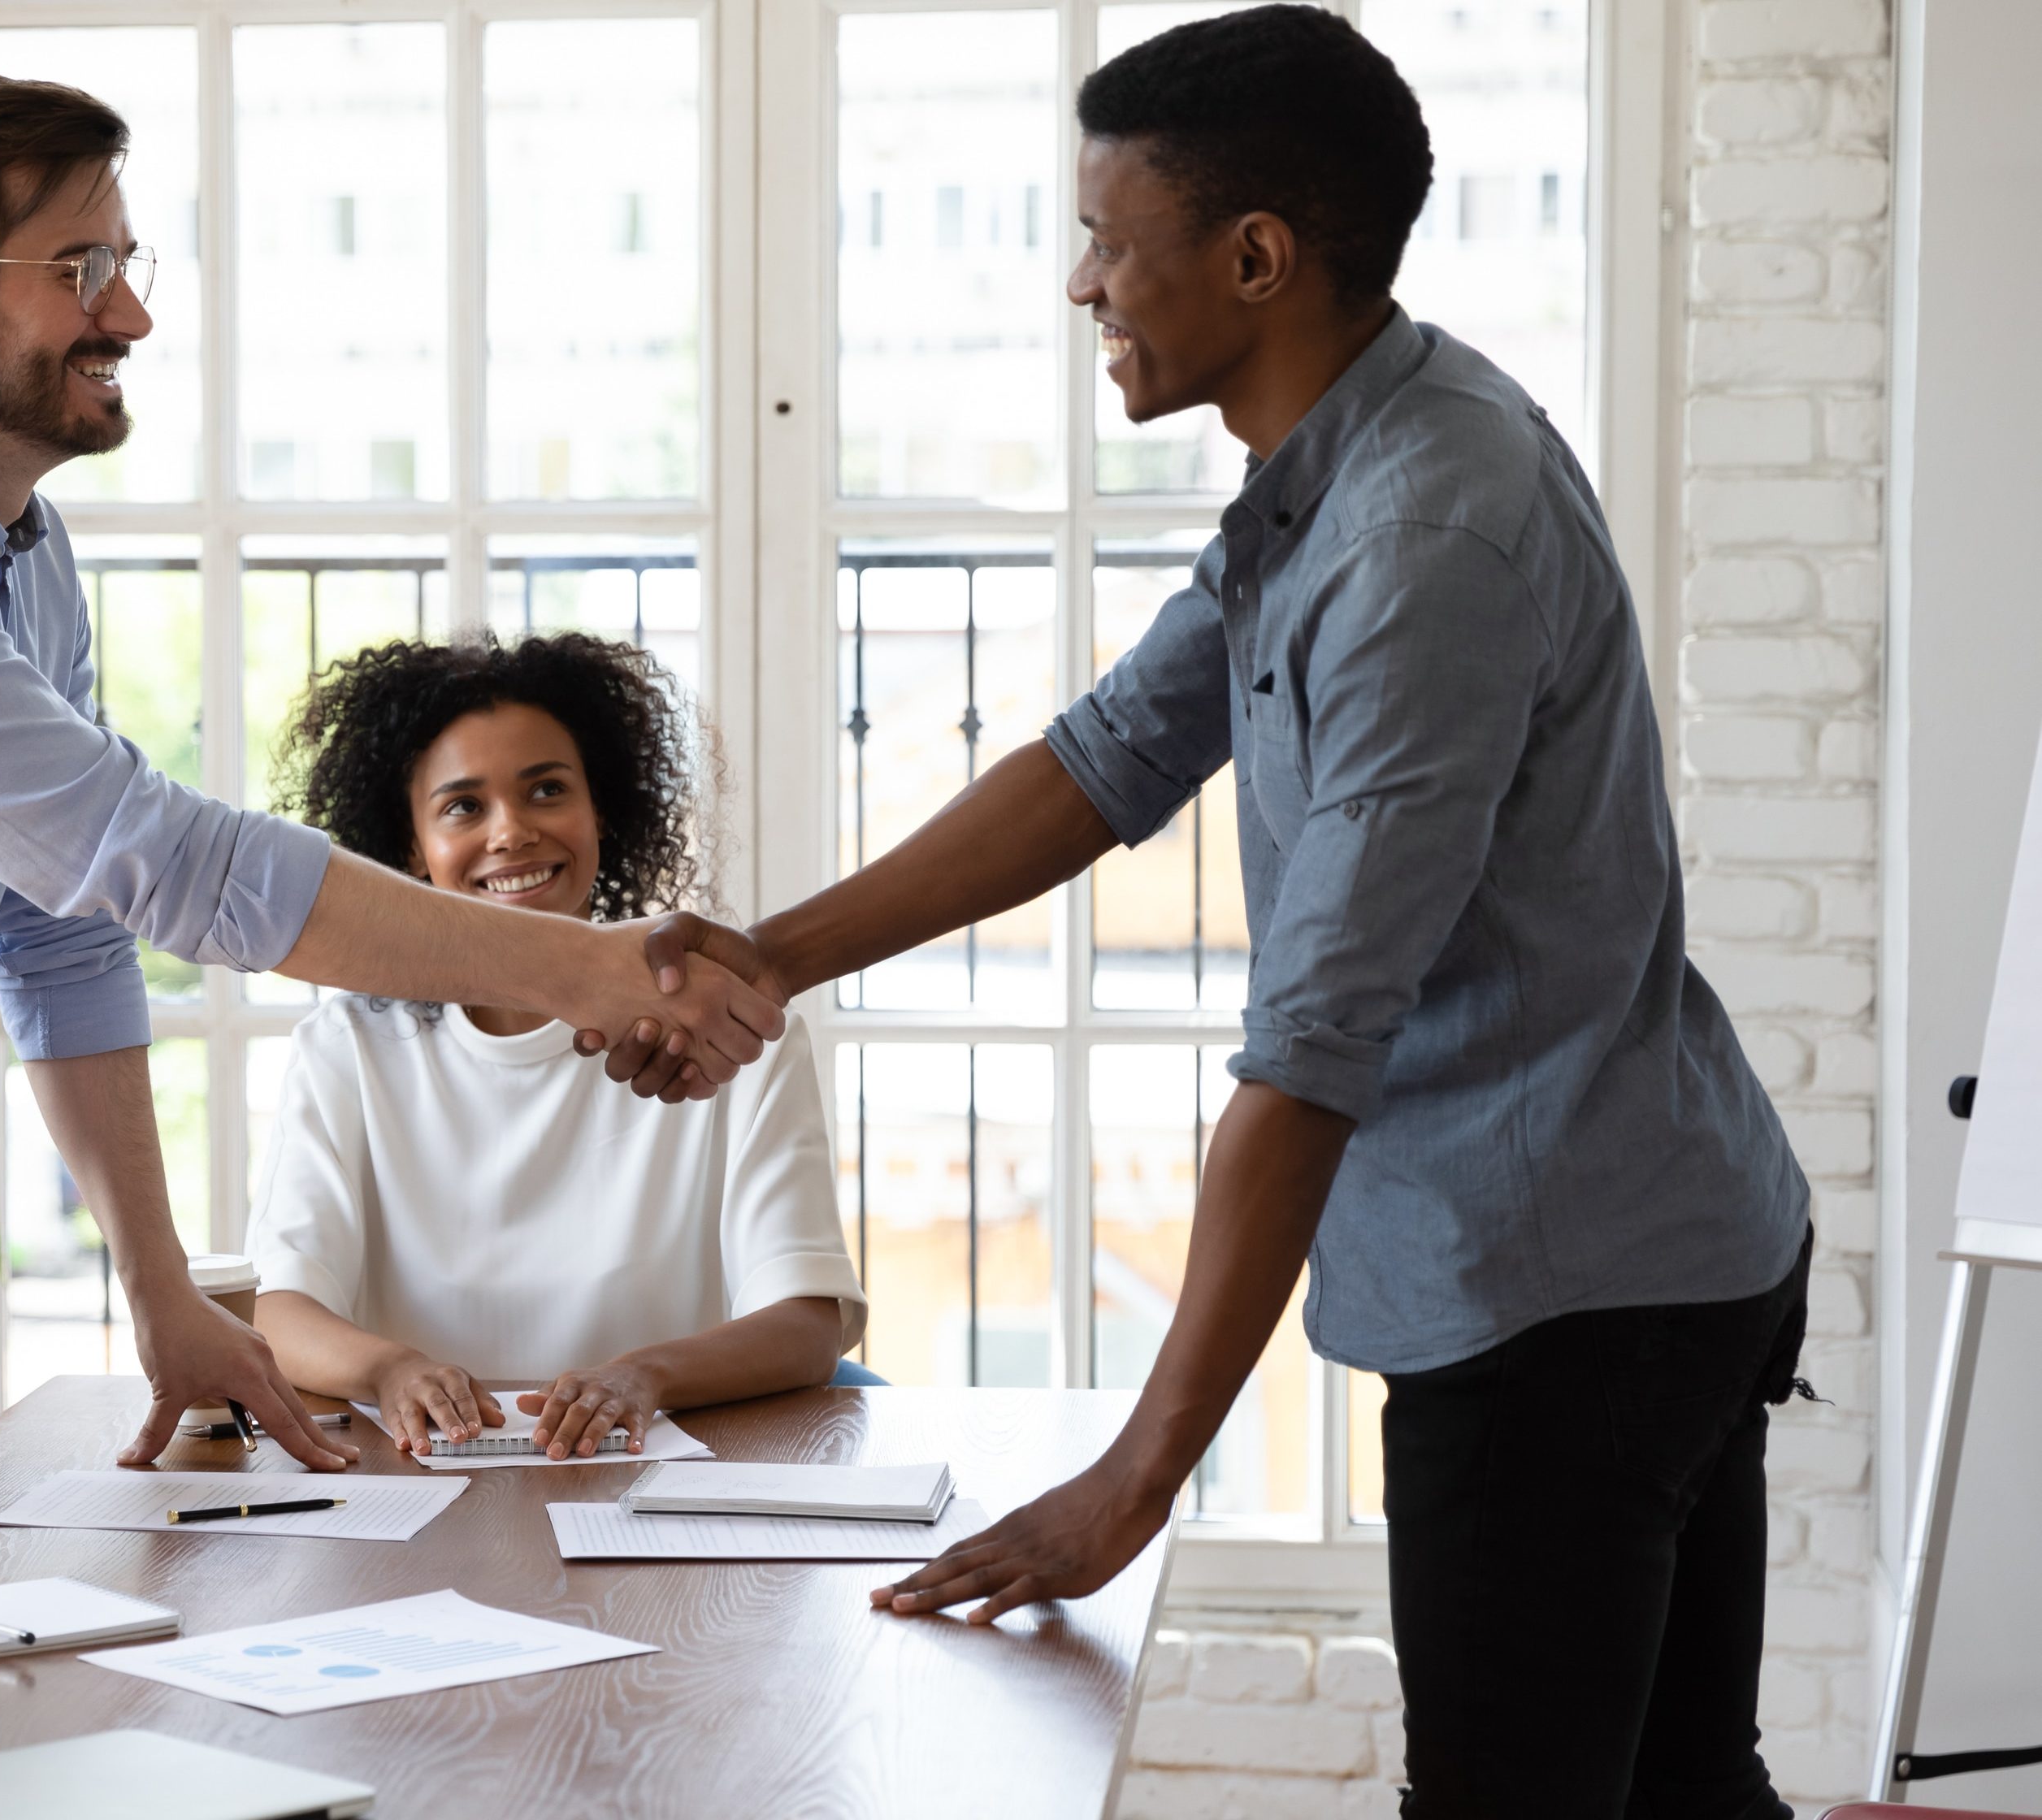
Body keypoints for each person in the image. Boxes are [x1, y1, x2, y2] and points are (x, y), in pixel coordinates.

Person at [612, 11, 1808, 1815]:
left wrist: (1134, 1477)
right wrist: (773, 957)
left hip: (1577, 1308)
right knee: (1678, 1798)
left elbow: (1312, 1055)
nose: (1079, 282)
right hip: (1656, 1239)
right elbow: (1103, 761)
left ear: (1255, 258)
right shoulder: (1343, 461)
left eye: (1109, 234)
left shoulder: (1424, 539)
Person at [0, 70, 779, 1554]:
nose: (129, 315)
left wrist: (162, 1298)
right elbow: (156, 861)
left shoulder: (19, 553)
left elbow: (62, 931)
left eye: (126, 263)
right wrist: (591, 969)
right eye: (78, 271)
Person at [245, 635, 869, 1461]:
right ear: (406, 850)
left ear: (600, 811)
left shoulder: (727, 1029)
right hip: (421, 1487)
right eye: (463, 806)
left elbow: (805, 1322)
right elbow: (280, 1307)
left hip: (661, 1497)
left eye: (546, 789)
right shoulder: (347, 1047)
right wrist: (392, 1368)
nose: (511, 831)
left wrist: (644, 1375)